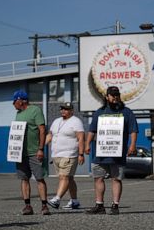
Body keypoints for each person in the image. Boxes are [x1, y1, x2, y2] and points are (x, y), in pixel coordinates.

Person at [85, 86, 138, 215]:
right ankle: (99, 205)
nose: (115, 97)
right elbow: (92, 130)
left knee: (116, 179)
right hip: (100, 153)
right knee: (98, 178)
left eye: (117, 95)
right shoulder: (99, 112)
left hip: (117, 153)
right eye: (112, 95)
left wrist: (132, 145)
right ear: (107, 97)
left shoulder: (127, 112)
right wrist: (87, 144)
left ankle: (115, 205)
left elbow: (133, 130)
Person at [13, 90, 50, 215]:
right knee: (24, 179)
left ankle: (44, 206)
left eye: (14, 101)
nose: (13, 104)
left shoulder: (35, 110)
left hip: (34, 151)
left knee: (39, 178)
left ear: (21, 100)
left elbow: (42, 129)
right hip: (21, 153)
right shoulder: (18, 114)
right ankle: (27, 205)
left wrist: (40, 148)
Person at [46, 102, 85, 210]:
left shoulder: (76, 121)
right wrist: (41, 146)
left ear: (71, 111)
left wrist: (81, 154)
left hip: (69, 154)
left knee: (64, 177)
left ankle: (57, 199)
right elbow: (50, 134)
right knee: (69, 178)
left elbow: (81, 138)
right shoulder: (56, 121)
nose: (63, 111)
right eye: (62, 109)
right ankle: (74, 201)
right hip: (56, 155)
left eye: (66, 109)